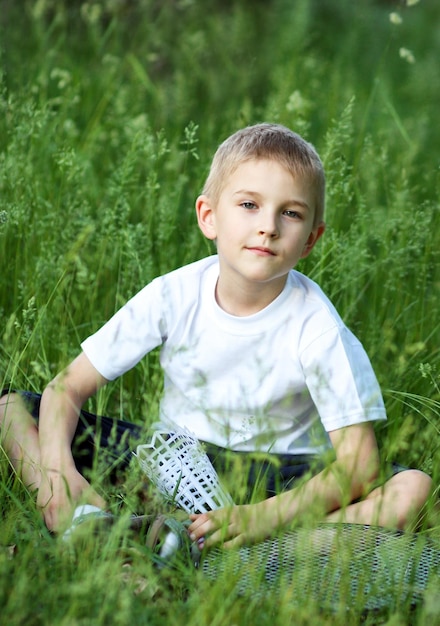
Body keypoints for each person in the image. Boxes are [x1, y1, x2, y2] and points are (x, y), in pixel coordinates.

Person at [0, 123, 432, 550]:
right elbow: (67, 387)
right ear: (209, 216)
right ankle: (80, 513)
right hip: (170, 462)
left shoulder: (316, 325)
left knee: (415, 489)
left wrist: (262, 516)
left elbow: (359, 462)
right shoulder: (173, 294)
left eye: (291, 213)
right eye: (249, 204)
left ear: (310, 240)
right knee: (9, 409)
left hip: (278, 480)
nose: (269, 226)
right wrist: (59, 474)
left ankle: (253, 545)